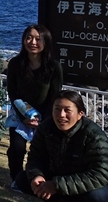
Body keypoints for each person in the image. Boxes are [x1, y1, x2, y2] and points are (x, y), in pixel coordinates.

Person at [14, 90, 108, 202]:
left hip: (101, 186)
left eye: (67, 110)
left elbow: (100, 174)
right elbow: (35, 157)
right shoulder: (46, 128)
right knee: (22, 179)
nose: (61, 115)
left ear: (80, 114)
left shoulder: (94, 135)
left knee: (97, 197)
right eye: (57, 109)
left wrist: (56, 185)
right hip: (63, 179)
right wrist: (36, 176)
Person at [5, 25, 64, 184]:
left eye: (38, 39)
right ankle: (16, 179)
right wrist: (23, 117)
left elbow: (54, 96)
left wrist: (43, 120)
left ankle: (41, 181)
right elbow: (13, 93)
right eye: (29, 37)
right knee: (17, 149)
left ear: (46, 42)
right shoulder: (16, 64)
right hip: (20, 113)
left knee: (44, 152)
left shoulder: (53, 67)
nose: (33, 42)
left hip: (45, 116)